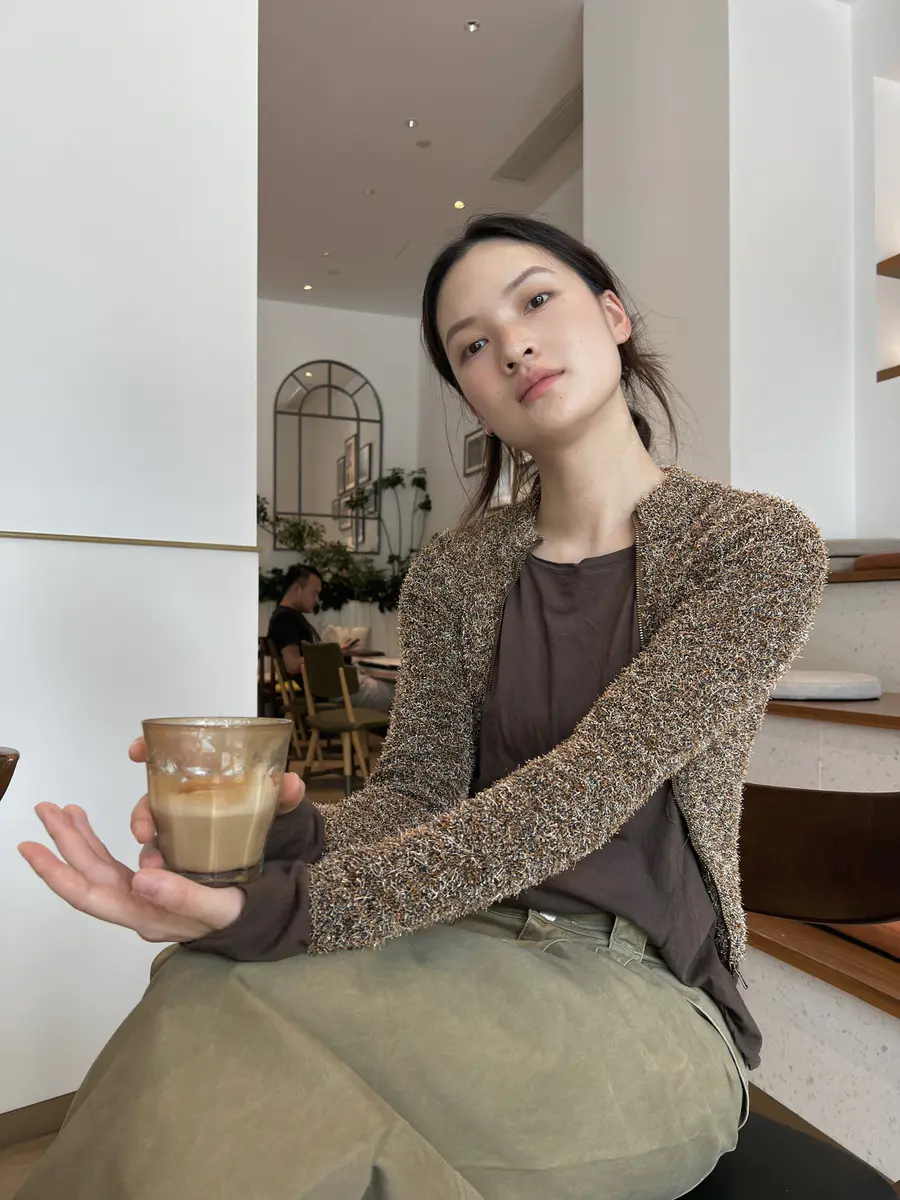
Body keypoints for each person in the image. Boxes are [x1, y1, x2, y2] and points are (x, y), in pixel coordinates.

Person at [18, 215, 828, 1200]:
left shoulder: (754, 546)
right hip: (461, 941)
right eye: (472, 345)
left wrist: (296, 908)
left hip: (641, 991)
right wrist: (290, 839)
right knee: (200, 988)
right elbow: (416, 796)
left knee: (245, 1053)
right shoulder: (457, 571)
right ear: (471, 395)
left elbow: (585, 790)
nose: (513, 346)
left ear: (613, 316)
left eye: (537, 301)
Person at [267, 562, 395, 713]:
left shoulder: (289, 617)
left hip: (334, 686)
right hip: (332, 690)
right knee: (400, 692)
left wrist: (336, 652)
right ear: (297, 589)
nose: (317, 600)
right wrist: (332, 653)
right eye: (314, 593)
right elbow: (293, 665)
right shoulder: (285, 619)